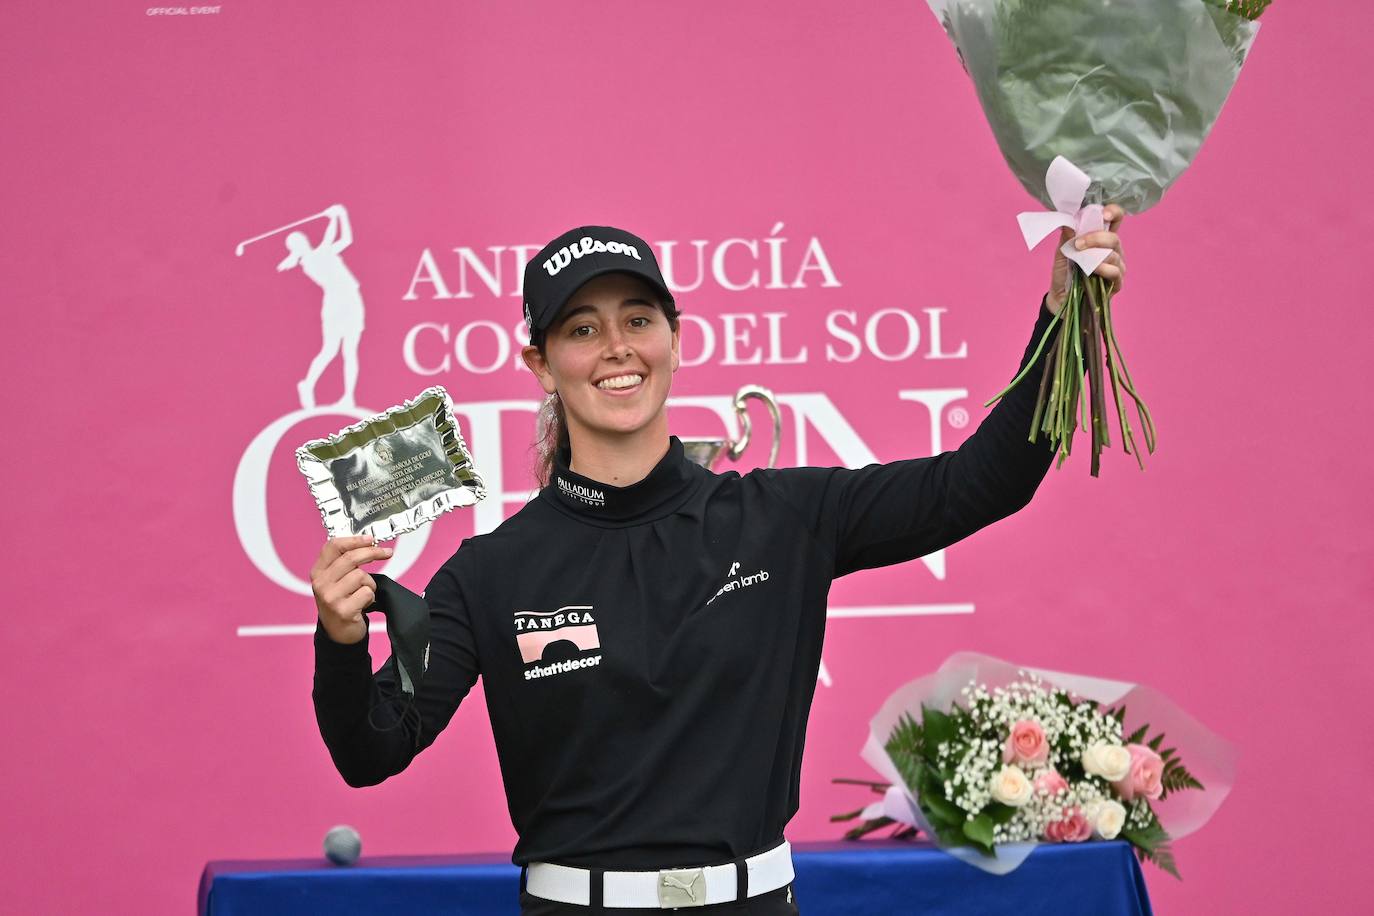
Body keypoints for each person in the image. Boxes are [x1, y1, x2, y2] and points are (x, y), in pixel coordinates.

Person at [310, 219, 1127, 914]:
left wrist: (1063, 317)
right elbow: (373, 748)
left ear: (675, 338)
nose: (616, 348)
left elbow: (986, 481)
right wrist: (341, 643)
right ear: (541, 364)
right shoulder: (490, 571)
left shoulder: (782, 519)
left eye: (638, 320)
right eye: (582, 329)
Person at [276, 203, 365, 410]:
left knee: (350, 351)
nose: (303, 241)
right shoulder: (312, 260)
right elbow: (329, 238)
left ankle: (348, 397)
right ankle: (307, 384)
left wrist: (341, 216)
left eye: (302, 239)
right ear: (296, 249)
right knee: (330, 350)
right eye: (298, 242)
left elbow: (346, 240)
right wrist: (336, 216)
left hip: (351, 300)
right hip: (336, 304)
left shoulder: (322, 253)